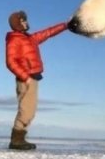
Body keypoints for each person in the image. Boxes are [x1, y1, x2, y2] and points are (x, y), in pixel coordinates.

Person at [6, 10, 68, 150]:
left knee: (30, 110)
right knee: (26, 110)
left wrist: (65, 25)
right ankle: (16, 141)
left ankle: (19, 139)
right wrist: (25, 77)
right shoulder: (14, 39)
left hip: (32, 77)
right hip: (26, 79)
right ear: (17, 23)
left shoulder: (29, 38)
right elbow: (10, 62)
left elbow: (47, 33)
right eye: (23, 21)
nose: (26, 22)